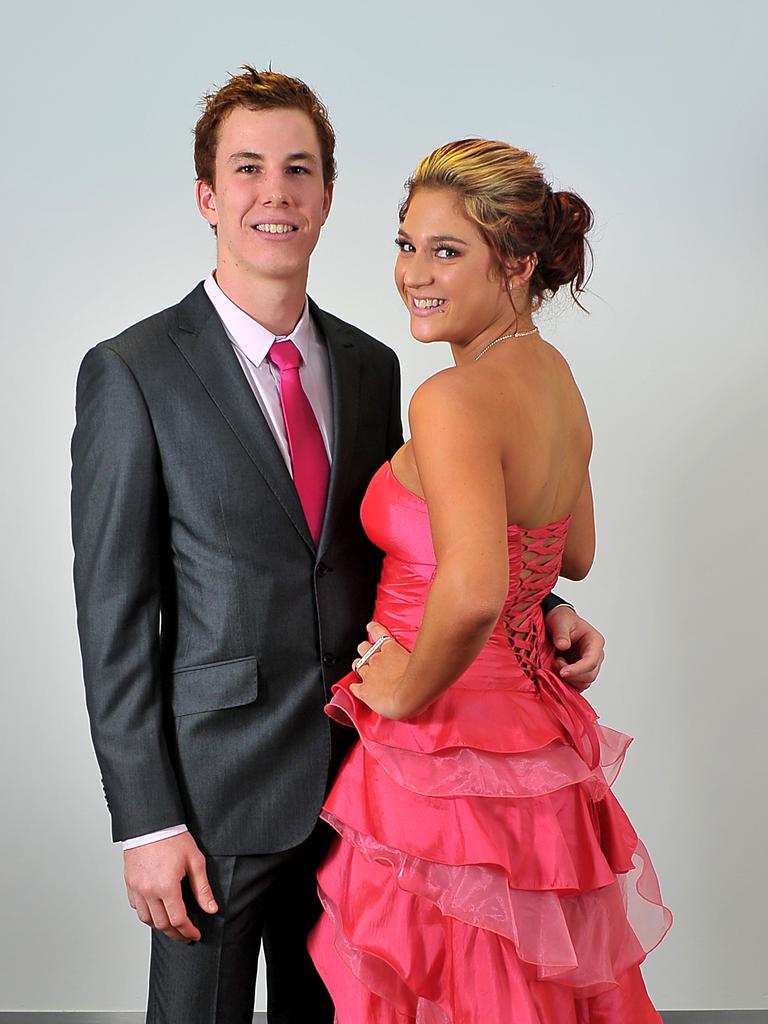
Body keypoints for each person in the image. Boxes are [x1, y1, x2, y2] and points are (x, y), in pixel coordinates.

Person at [71, 70, 606, 1024]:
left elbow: (425, 539)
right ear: (208, 196)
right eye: (247, 169)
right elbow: (113, 615)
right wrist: (146, 820)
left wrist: (543, 606)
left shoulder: (375, 363)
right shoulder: (131, 372)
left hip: (372, 782)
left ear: (326, 196)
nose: (274, 191)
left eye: (299, 170)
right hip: (219, 797)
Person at [309, 139, 672, 1022]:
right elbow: (572, 550)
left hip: (449, 749)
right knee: (525, 985)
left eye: (446, 250)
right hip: (535, 743)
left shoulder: (452, 400)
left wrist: (397, 690)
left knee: (459, 985)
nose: (413, 274)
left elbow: (472, 590)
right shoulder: (552, 377)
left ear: (515, 263)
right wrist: (542, 608)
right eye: (406, 244)